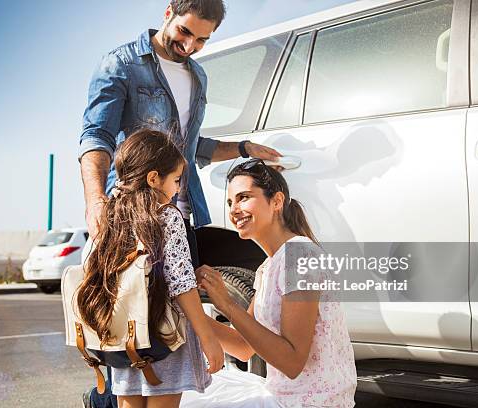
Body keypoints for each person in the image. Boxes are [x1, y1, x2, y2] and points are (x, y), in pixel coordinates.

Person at [79, 1, 281, 406]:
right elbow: (95, 136)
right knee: (134, 311)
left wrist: (240, 148)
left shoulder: (197, 76)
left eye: (203, 39)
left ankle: (118, 394)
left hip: (180, 211)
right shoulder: (122, 63)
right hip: (133, 212)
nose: (191, 45)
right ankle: (104, 398)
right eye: (186, 32)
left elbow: (189, 148)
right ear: (169, 11)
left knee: (162, 313)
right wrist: (96, 202)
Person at [185, 159, 357, 407]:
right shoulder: (268, 267)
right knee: (187, 392)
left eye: (244, 197)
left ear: (276, 201)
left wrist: (227, 305)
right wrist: (190, 314)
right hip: (282, 395)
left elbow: (292, 362)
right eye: (230, 202)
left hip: (310, 403)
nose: (234, 210)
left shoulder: (300, 256)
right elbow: (244, 347)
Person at [78, 129, 225, 408]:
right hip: (165, 338)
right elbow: (181, 283)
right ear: (154, 178)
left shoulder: (112, 216)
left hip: (124, 337)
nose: (178, 189)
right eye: (177, 180)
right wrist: (208, 339)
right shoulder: (167, 216)